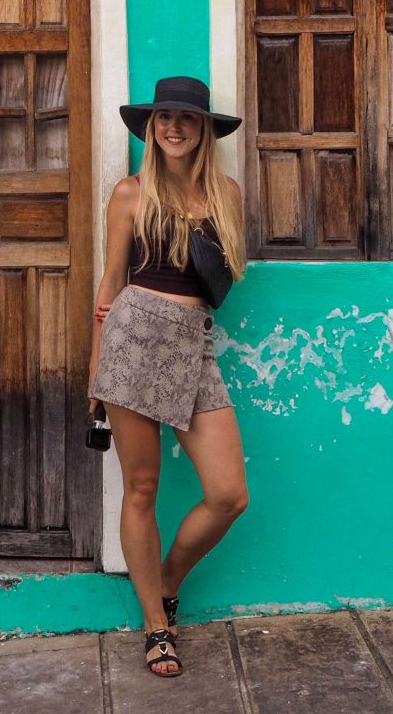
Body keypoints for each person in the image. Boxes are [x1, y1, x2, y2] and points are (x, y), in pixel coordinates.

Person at [87, 76, 248, 678]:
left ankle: (168, 581)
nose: (173, 127)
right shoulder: (130, 193)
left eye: (185, 118)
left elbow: (220, 283)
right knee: (142, 490)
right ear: (151, 130)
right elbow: (108, 288)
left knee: (229, 493)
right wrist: (93, 376)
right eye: (163, 119)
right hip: (132, 340)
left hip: (194, 346)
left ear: (204, 129)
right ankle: (157, 626)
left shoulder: (226, 194)